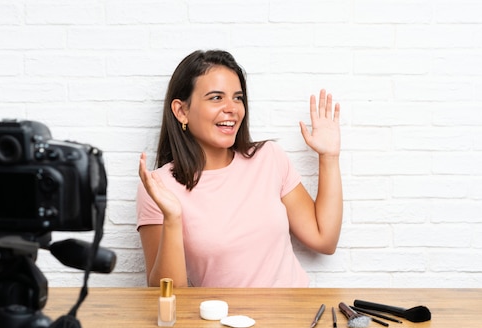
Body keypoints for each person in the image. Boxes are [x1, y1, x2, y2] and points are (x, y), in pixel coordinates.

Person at [136, 50, 342, 288]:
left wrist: (329, 157)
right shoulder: (159, 187)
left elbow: (324, 239)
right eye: (216, 98)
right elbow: (167, 296)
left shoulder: (270, 158)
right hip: (222, 322)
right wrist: (172, 218)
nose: (232, 108)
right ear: (181, 111)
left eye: (237, 98)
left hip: (294, 317)